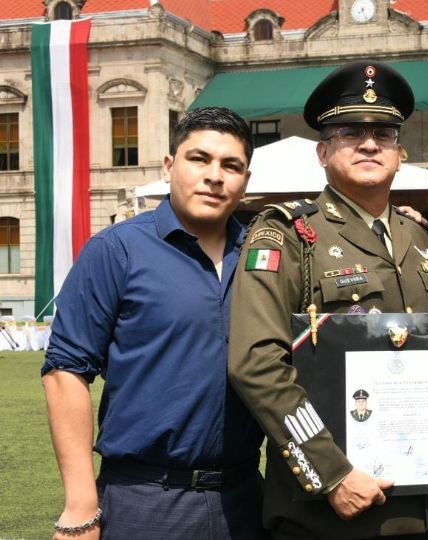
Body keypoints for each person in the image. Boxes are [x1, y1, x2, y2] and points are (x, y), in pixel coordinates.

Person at [227, 60, 428, 540]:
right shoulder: (287, 233)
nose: (369, 143)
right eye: (350, 132)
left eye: (384, 133)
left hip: (421, 505)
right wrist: (331, 474)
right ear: (322, 152)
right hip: (324, 513)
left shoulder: (421, 237)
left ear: (400, 151)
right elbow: (257, 363)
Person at [41, 107, 266, 540]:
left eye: (231, 165)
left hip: (245, 500)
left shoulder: (264, 255)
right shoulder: (116, 250)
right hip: (146, 500)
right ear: (169, 166)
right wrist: (80, 504)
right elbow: (64, 371)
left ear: (245, 181)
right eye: (199, 159)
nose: (214, 175)